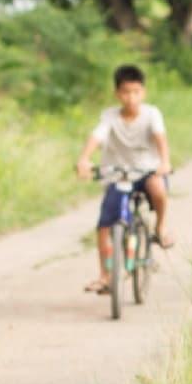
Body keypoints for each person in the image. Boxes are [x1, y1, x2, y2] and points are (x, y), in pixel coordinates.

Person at [75, 64, 173, 294]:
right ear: (117, 94)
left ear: (143, 92)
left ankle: (160, 228)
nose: (131, 98)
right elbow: (97, 136)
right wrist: (84, 159)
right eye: (126, 92)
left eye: (136, 92)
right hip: (118, 173)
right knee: (104, 224)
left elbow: (160, 138)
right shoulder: (109, 116)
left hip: (148, 171)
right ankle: (105, 275)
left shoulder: (152, 114)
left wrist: (165, 162)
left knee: (158, 188)